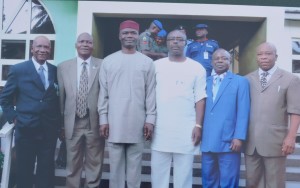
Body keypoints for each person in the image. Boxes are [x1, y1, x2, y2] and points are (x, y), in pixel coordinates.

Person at [98, 20, 156, 188]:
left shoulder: (147, 62)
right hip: (114, 122)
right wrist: (103, 120)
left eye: (133, 33)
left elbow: (151, 94)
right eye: (125, 33)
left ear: (138, 36)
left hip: (138, 123)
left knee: (134, 169)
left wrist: (150, 119)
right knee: (115, 169)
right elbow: (104, 94)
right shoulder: (108, 61)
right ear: (119, 36)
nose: (129, 36)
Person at [0, 36, 60, 188]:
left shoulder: (55, 71)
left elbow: (56, 99)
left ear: (50, 50)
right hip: (26, 129)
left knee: (46, 173)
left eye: (46, 47)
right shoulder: (19, 70)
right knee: (24, 172)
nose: (42, 50)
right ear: (32, 48)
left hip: (48, 131)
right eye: (39, 46)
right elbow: (5, 99)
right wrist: (14, 118)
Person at [151, 29, 206, 188]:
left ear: (186, 42)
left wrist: (198, 125)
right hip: (160, 128)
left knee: (184, 176)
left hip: (186, 130)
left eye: (179, 39)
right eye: (172, 39)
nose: (175, 42)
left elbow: (200, 98)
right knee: (158, 175)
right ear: (166, 43)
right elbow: (148, 96)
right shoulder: (156, 66)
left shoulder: (196, 68)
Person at [245, 42, 300, 188]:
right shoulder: (247, 79)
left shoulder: (290, 79)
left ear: (276, 56)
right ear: (256, 58)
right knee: (252, 183)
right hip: (251, 142)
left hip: (276, 142)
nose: (264, 57)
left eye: (268, 54)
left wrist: (291, 137)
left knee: (275, 184)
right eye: (260, 54)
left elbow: (295, 111)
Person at [57, 32, 105, 188]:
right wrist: (62, 125)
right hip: (73, 123)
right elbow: (61, 98)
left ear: (93, 45)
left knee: (94, 164)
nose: (85, 44)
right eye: (82, 41)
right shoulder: (63, 67)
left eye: (89, 42)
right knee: (72, 165)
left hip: (94, 123)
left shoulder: (103, 64)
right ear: (76, 45)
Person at [201, 48, 250, 187]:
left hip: (229, 141)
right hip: (208, 140)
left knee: (228, 181)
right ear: (211, 62)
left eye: (224, 58)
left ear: (230, 62)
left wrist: (239, 136)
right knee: (208, 178)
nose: (220, 61)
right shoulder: (205, 81)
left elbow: (243, 111)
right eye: (217, 58)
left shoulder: (241, 81)